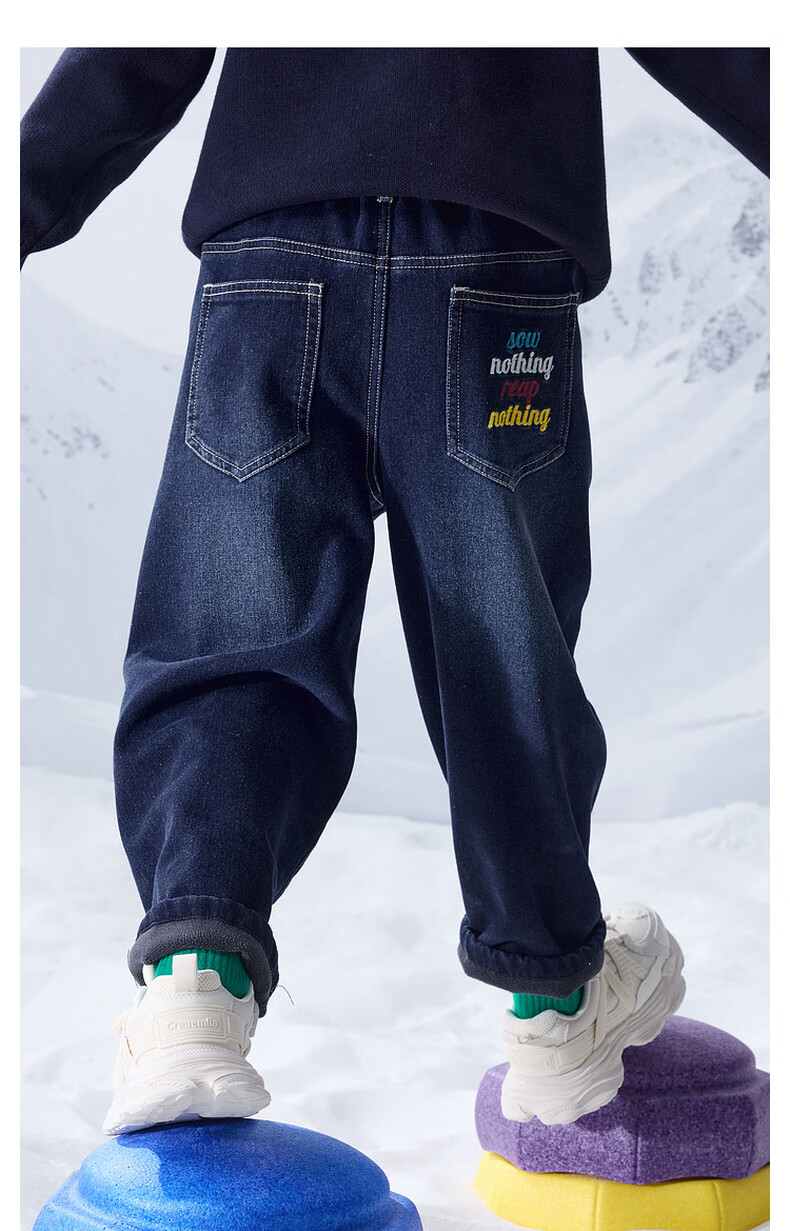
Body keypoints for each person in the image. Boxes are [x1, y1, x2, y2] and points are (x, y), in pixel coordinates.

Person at [20, 47, 768, 1137]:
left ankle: (192, 988)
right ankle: (555, 1009)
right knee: (502, 652)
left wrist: (28, 190)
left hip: (270, 255)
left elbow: (143, 46)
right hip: (491, 249)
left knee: (232, 628)